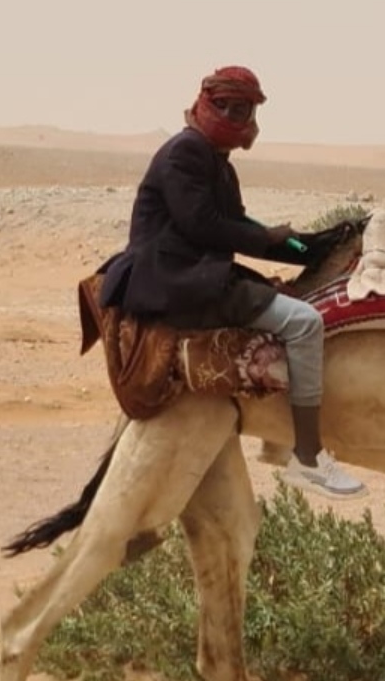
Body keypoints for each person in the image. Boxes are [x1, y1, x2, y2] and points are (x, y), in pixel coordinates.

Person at [99, 65, 365, 498]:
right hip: (174, 284)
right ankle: (308, 456)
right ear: (218, 108)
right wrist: (269, 237)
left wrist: (311, 244)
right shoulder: (184, 154)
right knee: (305, 323)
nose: (249, 125)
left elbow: (238, 227)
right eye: (241, 112)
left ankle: (278, 438)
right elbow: (204, 226)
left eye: (250, 113)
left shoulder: (216, 164)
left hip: (194, 276)